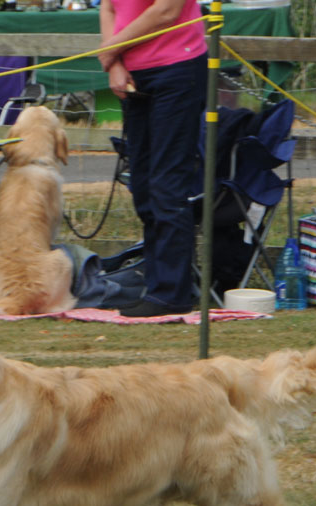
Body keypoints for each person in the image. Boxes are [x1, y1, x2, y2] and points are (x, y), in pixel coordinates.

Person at [98, 0, 207, 316]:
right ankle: (156, 282)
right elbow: (108, 8)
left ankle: (171, 292)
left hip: (176, 69)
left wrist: (110, 49)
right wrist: (113, 60)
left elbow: (167, 11)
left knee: (167, 183)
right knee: (143, 184)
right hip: (133, 74)